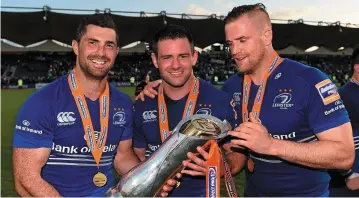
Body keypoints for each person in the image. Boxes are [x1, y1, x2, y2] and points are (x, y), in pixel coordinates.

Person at [137, 4, 355, 197]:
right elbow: (234, 152)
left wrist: (272, 145)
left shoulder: (309, 80)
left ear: (267, 35)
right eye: (230, 43)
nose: (235, 51)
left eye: (242, 40)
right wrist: (157, 84)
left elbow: (344, 155)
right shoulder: (231, 88)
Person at [12, 14, 176, 197]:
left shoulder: (122, 104)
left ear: (116, 51)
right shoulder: (42, 102)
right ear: (76, 47)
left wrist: (153, 180)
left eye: (109, 45)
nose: (101, 52)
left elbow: (122, 157)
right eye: (93, 42)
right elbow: (26, 178)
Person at [132, 24, 238, 197]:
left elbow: (236, 154)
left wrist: (220, 167)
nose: (175, 65)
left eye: (182, 56)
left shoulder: (220, 101)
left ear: (194, 57)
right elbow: (138, 156)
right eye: (167, 57)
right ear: (155, 60)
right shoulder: (143, 104)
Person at [329, 46, 359, 196]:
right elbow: (333, 138)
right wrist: (351, 173)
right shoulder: (344, 96)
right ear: (357, 67)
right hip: (346, 183)